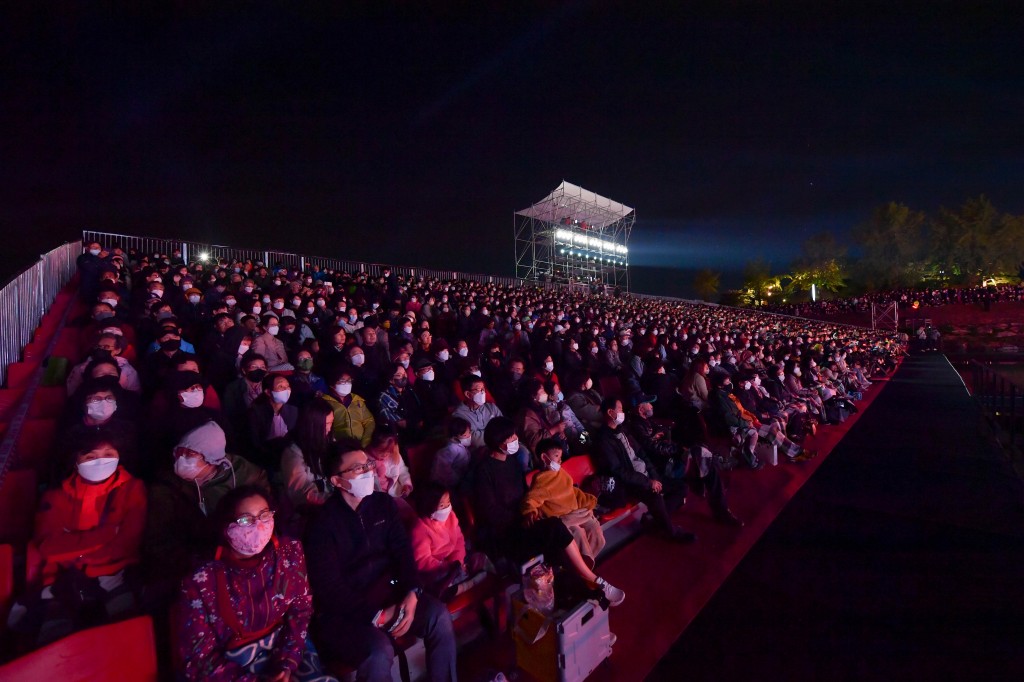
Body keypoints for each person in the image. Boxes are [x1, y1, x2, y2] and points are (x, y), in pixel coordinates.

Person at [304, 440, 457, 682]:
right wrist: (375, 615)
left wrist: (412, 592)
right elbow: (329, 588)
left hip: (389, 595)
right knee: (378, 651)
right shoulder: (322, 525)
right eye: (357, 469)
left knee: (438, 615)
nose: (367, 472)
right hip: (348, 614)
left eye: (367, 465)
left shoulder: (383, 505)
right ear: (336, 480)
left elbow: (403, 552)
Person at [177, 486, 336, 681]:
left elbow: (301, 609)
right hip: (233, 666)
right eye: (246, 520)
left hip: (286, 648)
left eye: (264, 515)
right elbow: (199, 658)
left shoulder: (289, 552)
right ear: (226, 528)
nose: (258, 526)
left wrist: (286, 663)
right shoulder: (201, 580)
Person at [10, 435, 145, 646]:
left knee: (124, 637)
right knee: (54, 641)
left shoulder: (133, 489)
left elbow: (125, 544)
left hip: (116, 573)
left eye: (109, 455)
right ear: (76, 461)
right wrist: (107, 534)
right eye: (91, 456)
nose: (101, 461)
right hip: (63, 577)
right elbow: (48, 547)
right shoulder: (55, 496)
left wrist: (72, 545)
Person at [471, 418, 624, 605]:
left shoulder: (512, 463)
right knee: (557, 526)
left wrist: (533, 512)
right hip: (510, 533)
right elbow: (490, 513)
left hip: (528, 523)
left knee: (559, 531)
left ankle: (584, 587)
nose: (515, 439)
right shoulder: (483, 471)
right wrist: (524, 516)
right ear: (499, 442)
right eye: (510, 437)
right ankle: (594, 581)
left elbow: (527, 495)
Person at [145, 422, 269, 593]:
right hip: (194, 566)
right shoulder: (166, 488)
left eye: (190, 455)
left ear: (212, 459)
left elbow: (265, 519)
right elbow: (161, 541)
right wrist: (200, 563)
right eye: (179, 453)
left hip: (243, 557)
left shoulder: (247, 476)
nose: (181, 460)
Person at [592, 397, 696, 542]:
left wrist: (655, 477)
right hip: (630, 483)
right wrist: (648, 482)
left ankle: (654, 519)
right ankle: (671, 532)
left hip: (646, 476)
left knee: (682, 488)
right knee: (655, 497)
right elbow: (618, 471)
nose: (623, 413)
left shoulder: (623, 431)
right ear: (610, 412)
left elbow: (642, 454)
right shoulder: (603, 440)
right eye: (620, 409)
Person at [522, 439, 608, 569]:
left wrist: (586, 499)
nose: (560, 460)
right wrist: (530, 511)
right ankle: (581, 566)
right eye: (556, 456)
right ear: (544, 458)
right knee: (578, 533)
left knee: (594, 529)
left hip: (576, 512)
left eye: (561, 457)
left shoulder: (560, 472)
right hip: (564, 518)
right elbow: (531, 499)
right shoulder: (541, 480)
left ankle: (585, 563)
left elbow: (571, 490)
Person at [408, 483, 490, 601]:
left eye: (448, 502)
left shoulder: (450, 516)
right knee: (441, 585)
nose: (447, 507)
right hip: (436, 570)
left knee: (482, 558)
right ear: (429, 506)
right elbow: (423, 561)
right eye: (442, 505)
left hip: (453, 563)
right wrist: (449, 567)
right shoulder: (420, 528)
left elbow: (458, 540)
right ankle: (462, 584)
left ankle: (464, 580)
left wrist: (458, 561)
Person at [281, 398, 336, 511]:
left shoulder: (330, 441)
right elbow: (301, 493)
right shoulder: (294, 453)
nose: (329, 428)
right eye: (327, 424)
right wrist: (335, 502)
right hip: (316, 511)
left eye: (332, 422)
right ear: (313, 425)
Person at [247, 373, 299, 470]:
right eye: (281, 386)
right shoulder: (255, 413)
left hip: (287, 456)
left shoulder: (293, 410)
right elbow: (254, 443)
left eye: (288, 386)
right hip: (265, 459)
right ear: (268, 391)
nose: (286, 390)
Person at [321, 365, 376, 447]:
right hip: (338, 447)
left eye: (349, 381)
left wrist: (366, 442)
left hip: (362, 444)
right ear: (332, 384)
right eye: (342, 381)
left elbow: (369, 421)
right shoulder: (324, 402)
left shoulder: (357, 400)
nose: (346, 384)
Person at [451, 374, 503, 450]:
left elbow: (504, 427)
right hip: (480, 452)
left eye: (483, 389)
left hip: (501, 444)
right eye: (479, 390)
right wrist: (499, 434)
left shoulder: (491, 407)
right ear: (468, 394)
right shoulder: (459, 415)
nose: (483, 393)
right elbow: (475, 440)